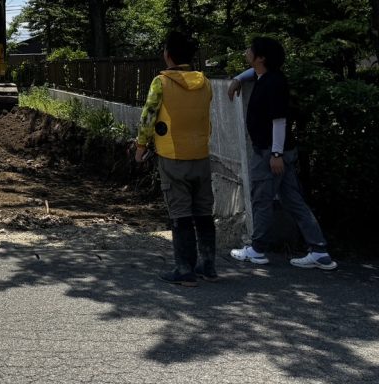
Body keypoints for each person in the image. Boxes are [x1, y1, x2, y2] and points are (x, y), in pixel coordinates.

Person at [227, 37, 337, 270]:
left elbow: (279, 120)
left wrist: (275, 154)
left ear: (261, 57)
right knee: (293, 199)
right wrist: (239, 78)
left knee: (262, 199)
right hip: (279, 151)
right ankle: (319, 250)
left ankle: (257, 250)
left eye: (251, 50)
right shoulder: (267, 77)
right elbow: (253, 73)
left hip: (271, 152)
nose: (247, 51)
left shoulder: (272, 83)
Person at [135, 30, 216, 286]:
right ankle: (208, 266)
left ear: (168, 55)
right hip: (201, 154)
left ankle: (184, 269)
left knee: (180, 213)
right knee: (203, 211)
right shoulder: (205, 81)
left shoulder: (161, 82)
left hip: (173, 155)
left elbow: (148, 116)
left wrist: (140, 146)